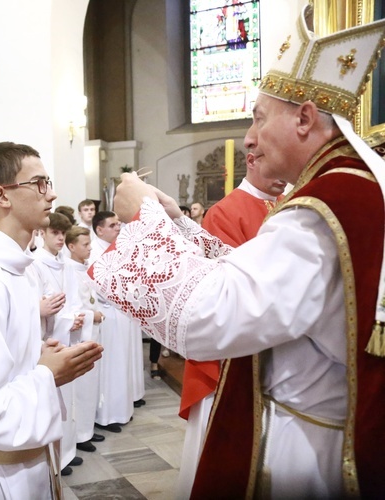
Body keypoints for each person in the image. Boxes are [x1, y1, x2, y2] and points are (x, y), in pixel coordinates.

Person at [90, 8, 385, 497]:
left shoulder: (322, 208)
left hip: (306, 450)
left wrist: (141, 218)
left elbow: (210, 315)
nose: (249, 137)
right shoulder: (353, 190)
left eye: (259, 117)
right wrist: (176, 222)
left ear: (305, 118)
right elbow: (249, 274)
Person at [0, 141, 103, 499]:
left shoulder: (18, 270)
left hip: (28, 459)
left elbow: (7, 362)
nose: (52, 193)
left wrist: (39, 355)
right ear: (3, 196)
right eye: (40, 183)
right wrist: (47, 373)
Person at [175, 152, 286, 497]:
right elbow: (227, 291)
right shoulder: (224, 211)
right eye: (277, 163)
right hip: (234, 355)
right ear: (252, 159)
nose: (285, 174)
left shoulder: (290, 204)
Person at [28, 212, 90, 475]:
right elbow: (37, 304)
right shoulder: (34, 263)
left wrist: (78, 317)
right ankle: (57, 456)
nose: (60, 238)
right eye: (55, 232)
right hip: (50, 341)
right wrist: (66, 321)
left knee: (70, 397)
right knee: (54, 400)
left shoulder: (64, 263)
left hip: (67, 334)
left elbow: (74, 298)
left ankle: (69, 449)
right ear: (42, 234)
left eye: (63, 234)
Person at [90, 211, 142, 432]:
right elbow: (96, 285)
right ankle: (108, 415)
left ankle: (122, 408)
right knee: (111, 366)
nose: (118, 228)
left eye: (118, 224)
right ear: (99, 229)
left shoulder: (118, 247)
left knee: (123, 362)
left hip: (123, 312)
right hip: (108, 314)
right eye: (112, 225)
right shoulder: (94, 251)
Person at [64, 226, 106, 453]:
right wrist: (93, 316)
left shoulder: (84, 268)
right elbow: (75, 306)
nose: (90, 248)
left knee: (91, 385)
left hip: (93, 332)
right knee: (80, 389)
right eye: (85, 245)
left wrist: (97, 312)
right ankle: (79, 435)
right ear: (71, 247)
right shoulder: (69, 271)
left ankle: (88, 429)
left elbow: (91, 298)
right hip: (79, 336)